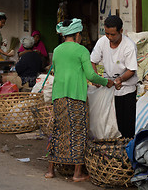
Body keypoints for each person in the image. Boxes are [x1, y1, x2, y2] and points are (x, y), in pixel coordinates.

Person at [46, 18, 114, 181]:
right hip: (75, 96)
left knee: (58, 130)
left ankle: (50, 170)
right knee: (78, 132)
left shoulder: (57, 50)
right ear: (77, 35)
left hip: (58, 96)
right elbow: (90, 74)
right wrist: (106, 82)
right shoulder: (81, 50)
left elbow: (58, 70)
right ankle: (77, 173)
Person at [90, 15, 138, 138]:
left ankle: (126, 150)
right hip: (108, 89)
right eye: (107, 34)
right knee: (108, 123)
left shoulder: (129, 46)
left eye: (113, 34)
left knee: (126, 125)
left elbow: (131, 69)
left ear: (121, 31)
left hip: (126, 89)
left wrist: (120, 79)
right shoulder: (102, 42)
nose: (110, 37)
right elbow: (93, 61)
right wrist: (95, 78)